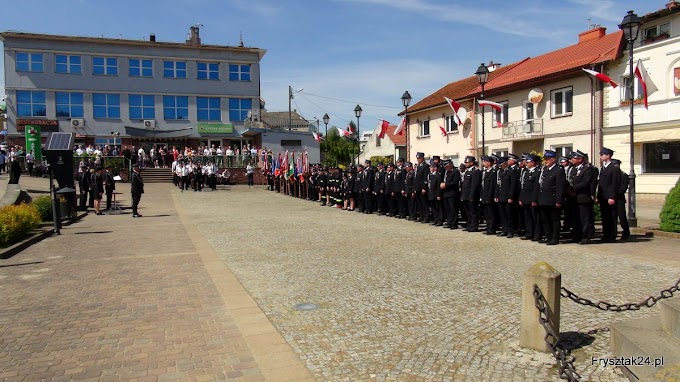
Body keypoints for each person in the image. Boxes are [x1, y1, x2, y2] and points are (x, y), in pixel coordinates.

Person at [538, 150, 566, 245]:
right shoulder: (545, 169)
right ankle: (548, 236)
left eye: (547, 159)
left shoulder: (559, 170)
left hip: (553, 199)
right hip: (544, 199)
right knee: (545, 220)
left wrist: (559, 201)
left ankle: (555, 238)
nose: (545, 161)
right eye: (545, 159)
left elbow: (560, 187)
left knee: (554, 220)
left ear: (553, 159)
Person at [597, 147, 620, 243]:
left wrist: (612, 197)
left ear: (608, 155)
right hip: (603, 196)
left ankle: (612, 235)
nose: (601, 156)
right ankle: (606, 235)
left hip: (609, 196)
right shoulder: (603, 167)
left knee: (611, 216)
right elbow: (601, 184)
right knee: (605, 217)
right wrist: (598, 196)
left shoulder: (614, 168)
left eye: (602, 154)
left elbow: (614, 184)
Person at [518, 154, 541, 241]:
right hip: (525, 198)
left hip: (532, 198)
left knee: (535, 218)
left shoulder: (538, 172)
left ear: (533, 162)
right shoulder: (526, 172)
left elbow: (536, 188)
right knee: (527, 218)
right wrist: (521, 198)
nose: (525, 163)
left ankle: (537, 234)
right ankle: (529, 233)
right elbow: (523, 187)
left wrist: (534, 200)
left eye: (527, 162)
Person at [611, 159, 631, 241]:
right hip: (611, 198)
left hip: (619, 199)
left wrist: (614, 194)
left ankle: (626, 232)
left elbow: (623, 188)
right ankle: (613, 233)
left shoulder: (623, 175)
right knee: (613, 217)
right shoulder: (611, 174)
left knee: (622, 217)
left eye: (616, 165)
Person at [461, 156, 482, 232]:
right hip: (466, 195)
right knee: (468, 212)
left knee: (473, 211)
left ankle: (474, 226)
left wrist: (472, 196)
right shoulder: (467, 171)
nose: (465, 164)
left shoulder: (476, 171)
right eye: (465, 162)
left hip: (471, 195)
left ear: (472, 163)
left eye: (467, 162)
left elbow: (474, 185)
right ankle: (469, 224)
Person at [440, 159, 461, 229]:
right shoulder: (446, 172)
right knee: (447, 209)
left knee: (453, 209)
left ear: (451, 165)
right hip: (446, 193)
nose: (446, 167)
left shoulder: (455, 171)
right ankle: (449, 222)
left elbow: (455, 182)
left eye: (447, 166)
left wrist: (446, 185)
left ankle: (454, 223)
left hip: (452, 193)